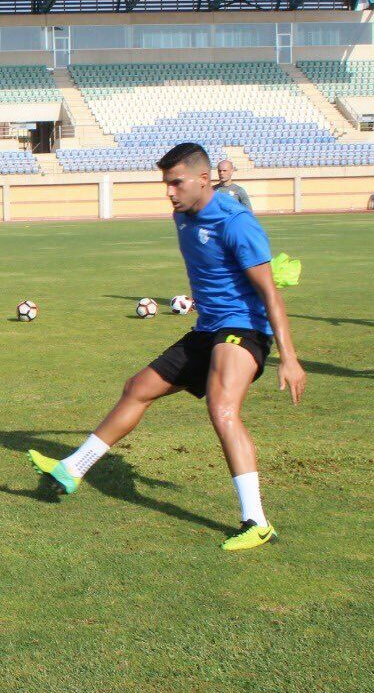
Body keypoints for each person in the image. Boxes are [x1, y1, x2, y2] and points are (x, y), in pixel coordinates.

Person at [28, 142, 305, 552]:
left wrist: (290, 357)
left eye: (177, 182)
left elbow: (270, 294)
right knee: (137, 388)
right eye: (166, 183)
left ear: (204, 179)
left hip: (243, 328)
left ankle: (256, 522)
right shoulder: (182, 216)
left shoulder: (236, 223)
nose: (170, 192)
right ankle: (74, 468)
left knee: (222, 408)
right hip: (208, 328)